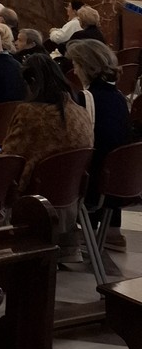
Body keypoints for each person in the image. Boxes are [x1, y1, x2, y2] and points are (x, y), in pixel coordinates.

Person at [65, 39, 131, 250]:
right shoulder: (120, 97)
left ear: (86, 66)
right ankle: (113, 231)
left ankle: (77, 232)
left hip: (93, 178)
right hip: (119, 177)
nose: (75, 71)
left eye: (76, 65)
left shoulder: (86, 98)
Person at [0, 53, 92, 192]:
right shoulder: (81, 112)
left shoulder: (29, 113)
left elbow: (9, 160)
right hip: (69, 192)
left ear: (31, 82)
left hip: (31, 193)